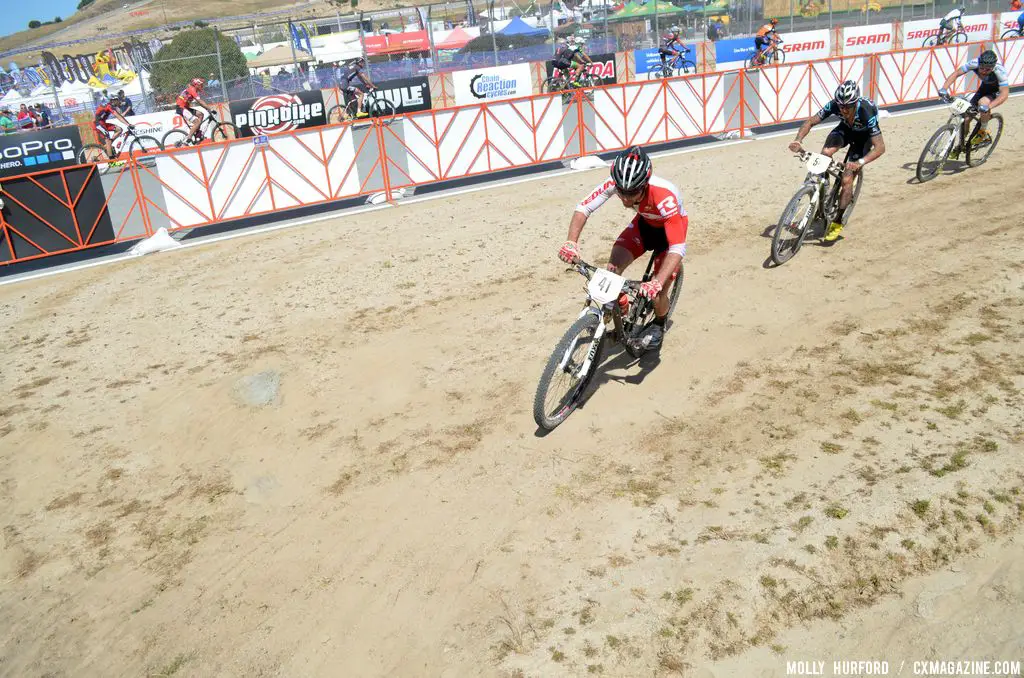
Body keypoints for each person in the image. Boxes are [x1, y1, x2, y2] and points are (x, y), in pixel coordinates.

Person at [557, 146, 688, 350]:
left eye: (633, 193)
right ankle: (623, 307)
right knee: (612, 270)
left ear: (645, 184)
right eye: (622, 192)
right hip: (644, 225)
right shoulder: (615, 183)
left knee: (657, 290)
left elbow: (678, 248)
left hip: (669, 237)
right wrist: (571, 242)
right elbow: (584, 207)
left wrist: (657, 282)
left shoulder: (664, 196)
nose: (626, 199)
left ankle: (659, 324)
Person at [788, 80, 886, 242]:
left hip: (863, 138)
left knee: (847, 178)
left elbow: (880, 148)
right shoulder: (835, 105)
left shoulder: (866, 112)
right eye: (840, 106)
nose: (843, 109)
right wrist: (798, 140)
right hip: (845, 130)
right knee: (825, 153)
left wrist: (859, 163)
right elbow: (811, 121)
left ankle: (838, 220)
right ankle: (823, 184)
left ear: (855, 103)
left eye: (847, 107)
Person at [938, 49, 1008, 156]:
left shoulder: (1000, 71)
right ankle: (961, 144)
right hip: (984, 89)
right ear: (979, 64)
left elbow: (1004, 94)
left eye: (988, 69)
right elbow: (957, 73)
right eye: (982, 68)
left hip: (996, 92)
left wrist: (989, 107)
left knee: (982, 103)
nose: (984, 71)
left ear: (993, 67)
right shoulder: (974, 63)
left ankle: (982, 131)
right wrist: (944, 89)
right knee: (966, 118)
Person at [175, 77, 212, 142]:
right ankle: (188, 139)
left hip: (185, 107)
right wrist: (209, 109)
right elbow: (200, 101)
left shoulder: (193, 89)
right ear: (196, 84)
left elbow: (200, 102)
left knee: (200, 115)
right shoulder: (192, 89)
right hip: (181, 107)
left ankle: (197, 133)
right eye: (201, 85)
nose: (202, 86)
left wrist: (206, 108)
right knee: (197, 122)